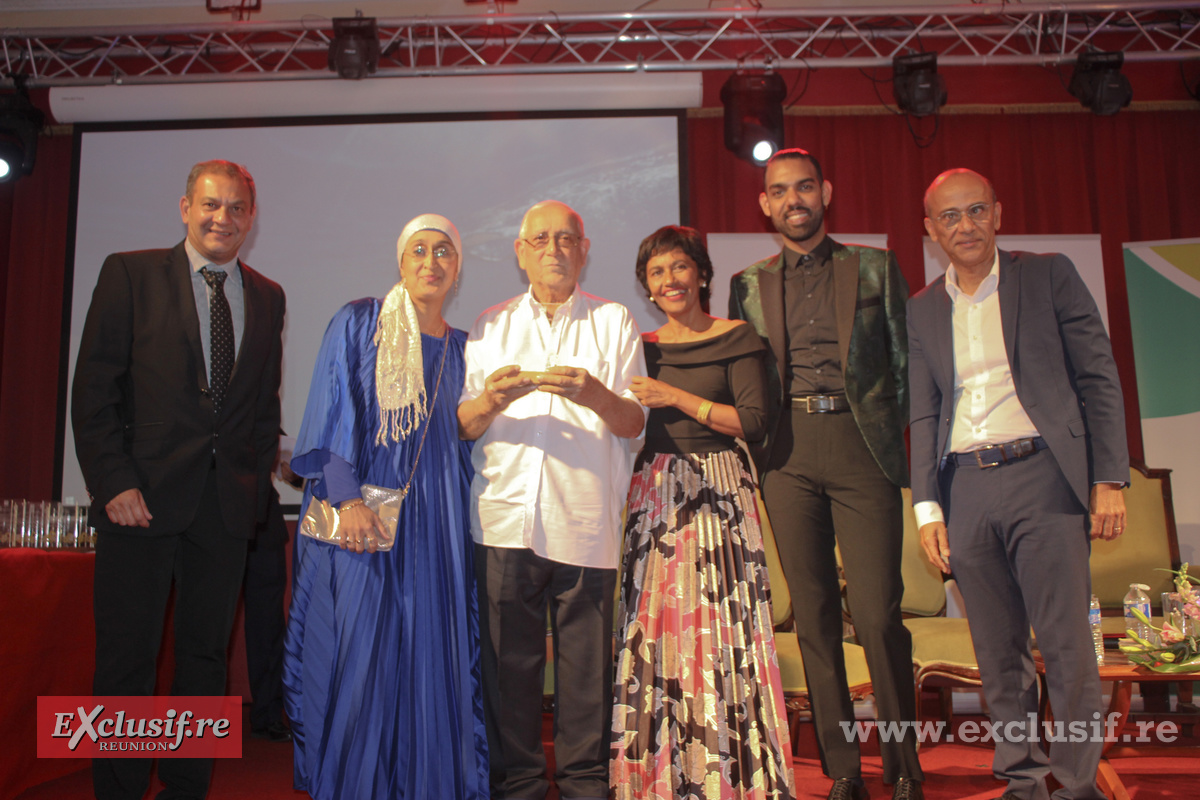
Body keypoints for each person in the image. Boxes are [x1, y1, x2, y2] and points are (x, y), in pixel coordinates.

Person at [909, 168, 1128, 800]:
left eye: (976, 210)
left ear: (998, 214)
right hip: (965, 488)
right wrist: (928, 508)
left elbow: (1098, 377)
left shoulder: (1048, 273)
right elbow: (923, 412)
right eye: (949, 216)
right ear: (930, 231)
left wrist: (1108, 477)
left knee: (1065, 646)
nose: (965, 225)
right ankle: (1023, 782)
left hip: (1045, 477)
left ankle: (1078, 784)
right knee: (997, 653)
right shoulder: (923, 308)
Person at [72, 159, 285, 800]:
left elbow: (260, 406)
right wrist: (113, 482)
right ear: (185, 208)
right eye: (211, 205)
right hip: (137, 503)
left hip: (223, 512)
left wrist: (250, 493)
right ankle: (118, 789)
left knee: (205, 663)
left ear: (251, 216)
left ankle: (186, 786)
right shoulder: (129, 274)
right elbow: (94, 391)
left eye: (237, 208)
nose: (224, 219)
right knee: (127, 662)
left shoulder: (268, 296)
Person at [728, 148, 923, 800]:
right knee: (812, 617)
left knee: (875, 614)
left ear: (825, 192)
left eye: (804, 187)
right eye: (780, 190)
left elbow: (905, 366)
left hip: (861, 447)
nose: (794, 199)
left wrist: (902, 447)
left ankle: (903, 768)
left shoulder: (873, 265)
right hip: (786, 456)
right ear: (765, 204)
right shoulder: (748, 284)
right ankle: (844, 772)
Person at [282, 214, 488, 800]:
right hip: (360, 520)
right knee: (360, 660)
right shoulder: (361, 322)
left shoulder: (465, 350)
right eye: (418, 250)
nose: (431, 261)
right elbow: (333, 403)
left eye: (444, 251)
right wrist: (347, 500)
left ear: (457, 268)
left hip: (435, 525)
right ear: (400, 263)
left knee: (431, 660)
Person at [458, 200, 647, 800]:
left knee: (585, 674)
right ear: (520, 252)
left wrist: (594, 394)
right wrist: (490, 400)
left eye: (566, 239)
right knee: (508, 670)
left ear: (584, 250)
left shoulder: (614, 322)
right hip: (503, 518)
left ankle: (586, 784)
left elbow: (634, 424)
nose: (553, 249)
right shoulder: (488, 326)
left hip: (584, 517)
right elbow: (462, 424)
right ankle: (518, 785)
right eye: (540, 239)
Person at [610, 225, 795, 800]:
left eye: (679, 267)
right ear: (646, 284)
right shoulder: (641, 346)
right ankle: (660, 777)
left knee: (720, 633)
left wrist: (678, 398)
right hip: (656, 495)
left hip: (720, 488)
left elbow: (756, 422)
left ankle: (733, 774)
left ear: (702, 274)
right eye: (657, 272)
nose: (670, 281)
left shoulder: (736, 337)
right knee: (658, 633)